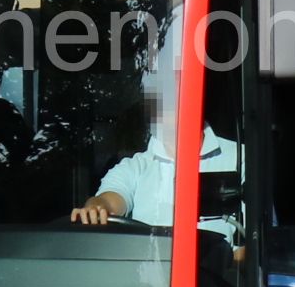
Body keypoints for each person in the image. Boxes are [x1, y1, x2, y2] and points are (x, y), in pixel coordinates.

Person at [73, 90, 237, 234]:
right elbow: (108, 201)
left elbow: (247, 245)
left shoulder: (240, 158)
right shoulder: (134, 167)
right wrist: (96, 207)